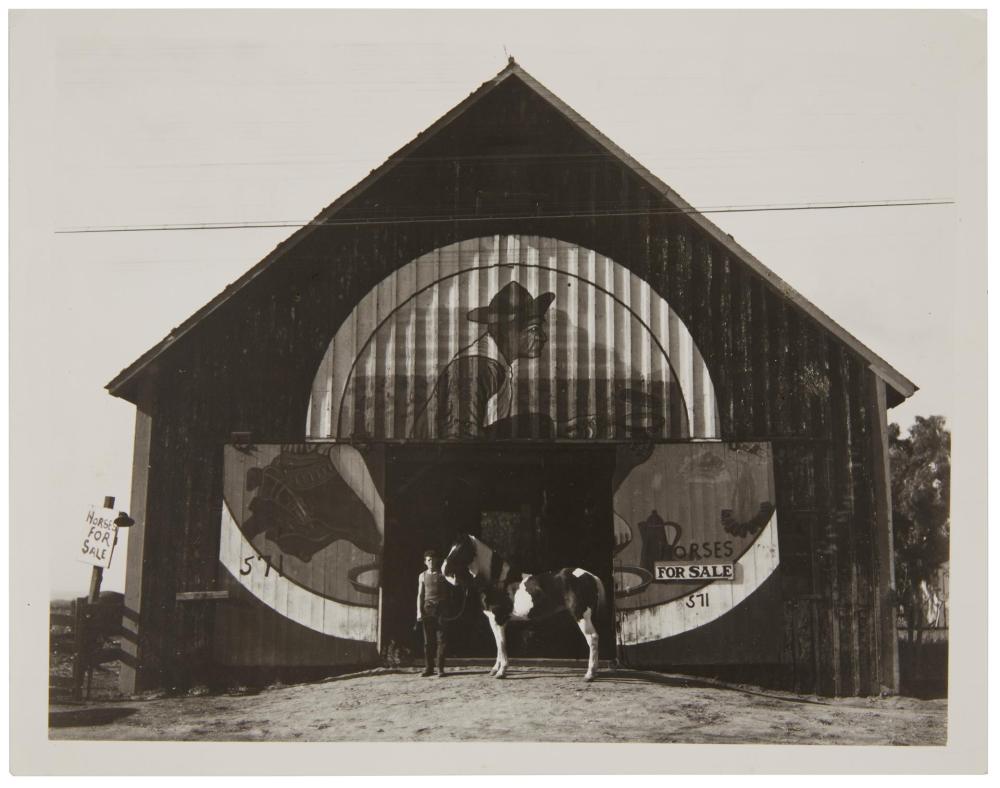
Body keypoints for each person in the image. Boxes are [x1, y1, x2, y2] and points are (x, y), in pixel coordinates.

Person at [410, 281, 554, 439]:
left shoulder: (492, 365)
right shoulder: (478, 367)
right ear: (506, 330)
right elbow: (459, 437)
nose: (543, 337)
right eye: (534, 329)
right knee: (539, 424)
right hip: (434, 459)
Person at [416, 549, 450, 677]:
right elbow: (420, 595)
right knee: (427, 641)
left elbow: (452, 586)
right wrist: (418, 612)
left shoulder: (443, 575)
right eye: (429, 560)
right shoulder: (422, 576)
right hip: (427, 609)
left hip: (441, 610)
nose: (431, 562)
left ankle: (440, 669)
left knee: (441, 640)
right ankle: (428, 668)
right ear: (425, 562)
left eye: (433, 559)